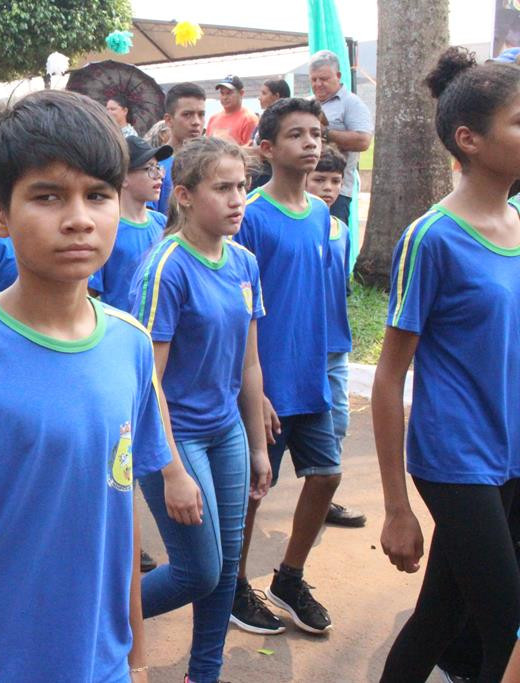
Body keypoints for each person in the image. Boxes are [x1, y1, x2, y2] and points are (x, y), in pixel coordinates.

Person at [0, 89, 172, 683]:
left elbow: (119, 519)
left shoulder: (129, 344)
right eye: (48, 196)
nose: (78, 217)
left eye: (97, 195)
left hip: (103, 667)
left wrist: (137, 660)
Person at [374, 46, 520, 683]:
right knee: (506, 625)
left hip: (512, 450)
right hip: (457, 458)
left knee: (440, 615)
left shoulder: (518, 222)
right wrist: (396, 508)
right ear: (471, 139)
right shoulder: (431, 238)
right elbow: (388, 376)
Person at [131, 135, 271, 683]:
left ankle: (203, 674)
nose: (238, 199)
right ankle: (93, 619)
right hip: (176, 438)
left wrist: (258, 444)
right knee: (198, 571)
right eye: (223, 188)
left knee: (227, 566)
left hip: (226, 432)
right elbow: (148, 380)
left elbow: (249, 365)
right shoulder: (166, 267)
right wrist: (171, 470)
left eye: (242, 186)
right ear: (185, 196)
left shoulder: (243, 262)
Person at [230, 97, 340, 636]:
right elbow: (236, 308)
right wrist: (256, 390)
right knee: (256, 488)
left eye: (316, 133)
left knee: (328, 473)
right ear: (267, 148)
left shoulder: (321, 214)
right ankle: (233, 585)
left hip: (310, 377)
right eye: (297, 134)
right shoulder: (249, 215)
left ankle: (289, 577)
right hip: (266, 384)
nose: (312, 143)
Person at [304, 146, 368, 529]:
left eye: (335, 181)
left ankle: (324, 497)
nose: (328, 188)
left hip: (335, 344)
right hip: (299, 347)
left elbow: (339, 286)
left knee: (338, 419)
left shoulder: (341, 231)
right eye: (320, 180)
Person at [89, 135, 170, 310]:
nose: (159, 175)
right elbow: (90, 294)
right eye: (149, 168)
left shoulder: (162, 222)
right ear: (123, 178)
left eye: (158, 167)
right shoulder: (107, 228)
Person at [309, 50, 374, 223]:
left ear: (338, 76)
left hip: (336, 193)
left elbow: (363, 141)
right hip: (306, 191)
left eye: (323, 79)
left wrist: (323, 133)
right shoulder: (307, 103)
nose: (318, 84)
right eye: (314, 79)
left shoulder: (351, 104)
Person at [153, 83, 206, 215]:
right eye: (187, 114)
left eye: (201, 114)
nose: (196, 122)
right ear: (169, 120)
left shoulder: (210, 164)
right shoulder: (155, 166)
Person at [207, 75, 258, 146]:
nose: (225, 97)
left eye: (229, 93)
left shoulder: (249, 120)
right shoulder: (213, 119)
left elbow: (251, 151)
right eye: (222, 93)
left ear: (241, 93)